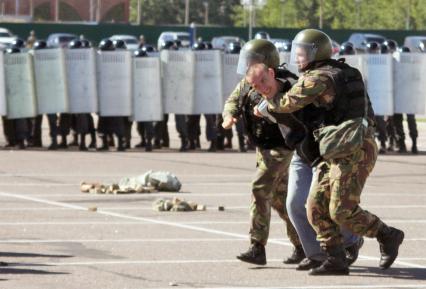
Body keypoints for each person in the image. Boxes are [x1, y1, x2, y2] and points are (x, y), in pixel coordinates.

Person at [247, 29, 404, 275]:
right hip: (335, 148)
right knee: (315, 206)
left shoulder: (318, 77)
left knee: (341, 210)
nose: (297, 58)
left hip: (354, 149)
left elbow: (288, 103)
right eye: (296, 53)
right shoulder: (340, 72)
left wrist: (267, 106)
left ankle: (387, 235)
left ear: (316, 52)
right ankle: (335, 258)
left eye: (302, 53)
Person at [222, 39, 303, 266]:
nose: (248, 66)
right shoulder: (249, 82)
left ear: (268, 64)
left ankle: (257, 247)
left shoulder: (287, 84)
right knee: (281, 200)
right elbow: (233, 101)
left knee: (259, 187)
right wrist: (229, 116)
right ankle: (303, 245)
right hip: (263, 147)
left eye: (253, 61)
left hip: (283, 147)